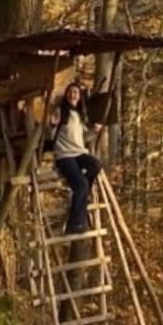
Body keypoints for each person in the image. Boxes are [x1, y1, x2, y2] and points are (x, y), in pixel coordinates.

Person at [51, 82, 103, 234]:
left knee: (96, 164)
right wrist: (52, 125)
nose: (72, 95)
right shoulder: (60, 112)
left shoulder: (80, 115)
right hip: (64, 155)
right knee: (81, 185)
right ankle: (75, 223)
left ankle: (81, 194)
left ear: (79, 97)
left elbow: (83, 137)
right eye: (70, 92)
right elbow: (50, 134)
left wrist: (94, 131)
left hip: (79, 152)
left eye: (75, 93)